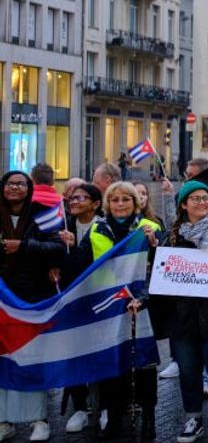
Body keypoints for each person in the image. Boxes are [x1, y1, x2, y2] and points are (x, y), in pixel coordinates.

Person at [148, 180, 208, 443]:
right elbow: (162, 275)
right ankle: (193, 418)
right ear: (184, 204)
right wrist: (155, 251)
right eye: (195, 199)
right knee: (188, 372)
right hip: (183, 319)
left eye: (205, 198)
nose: (202, 203)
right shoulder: (171, 236)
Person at [79, 181, 162, 440]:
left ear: (135, 203)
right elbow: (82, 267)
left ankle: (149, 416)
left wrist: (154, 245)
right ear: (107, 204)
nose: (120, 204)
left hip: (142, 304)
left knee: (145, 364)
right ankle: (114, 416)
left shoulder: (151, 228)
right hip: (109, 306)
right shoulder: (95, 230)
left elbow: (165, 266)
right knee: (112, 363)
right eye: (115, 200)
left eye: (126, 199)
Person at [0, 170, 57, 442]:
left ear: (29, 188)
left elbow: (57, 248)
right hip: (2, 302)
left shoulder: (42, 213)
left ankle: (39, 419)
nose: (14, 188)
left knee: (32, 360)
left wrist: (23, 247)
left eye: (20, 184)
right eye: (9, 183)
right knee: (2, 360)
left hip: (32, 299)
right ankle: (4, 420)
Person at [54, 183, 104, 435]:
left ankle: (102, 406)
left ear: (95, 203)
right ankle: (80, 408)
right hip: (71, 301)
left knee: (100, 354)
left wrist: (75, 247)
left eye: (81, 198)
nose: (74, 202)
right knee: (73, 355)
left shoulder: (104, 226)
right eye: (72, 198)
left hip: (99, 300)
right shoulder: (62, 227)